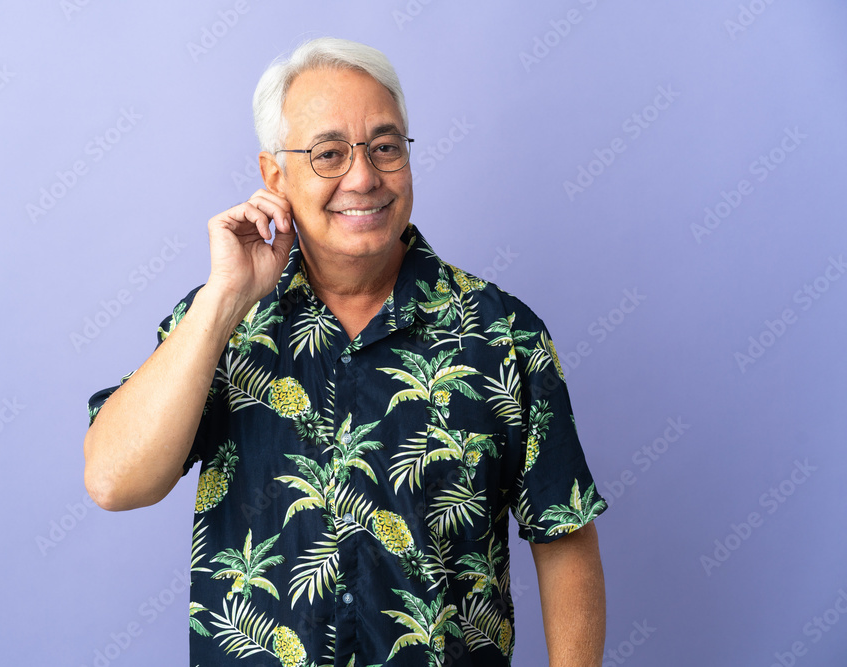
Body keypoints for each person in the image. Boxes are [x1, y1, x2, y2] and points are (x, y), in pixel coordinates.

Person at [84, 37, 607, 667]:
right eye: (329, 154)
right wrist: (224, 299)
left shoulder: (505, 334)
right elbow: (114, 481)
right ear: (274, 175)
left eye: (385, 148)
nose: (363, 177)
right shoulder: (222, 325)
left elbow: (565, 535)